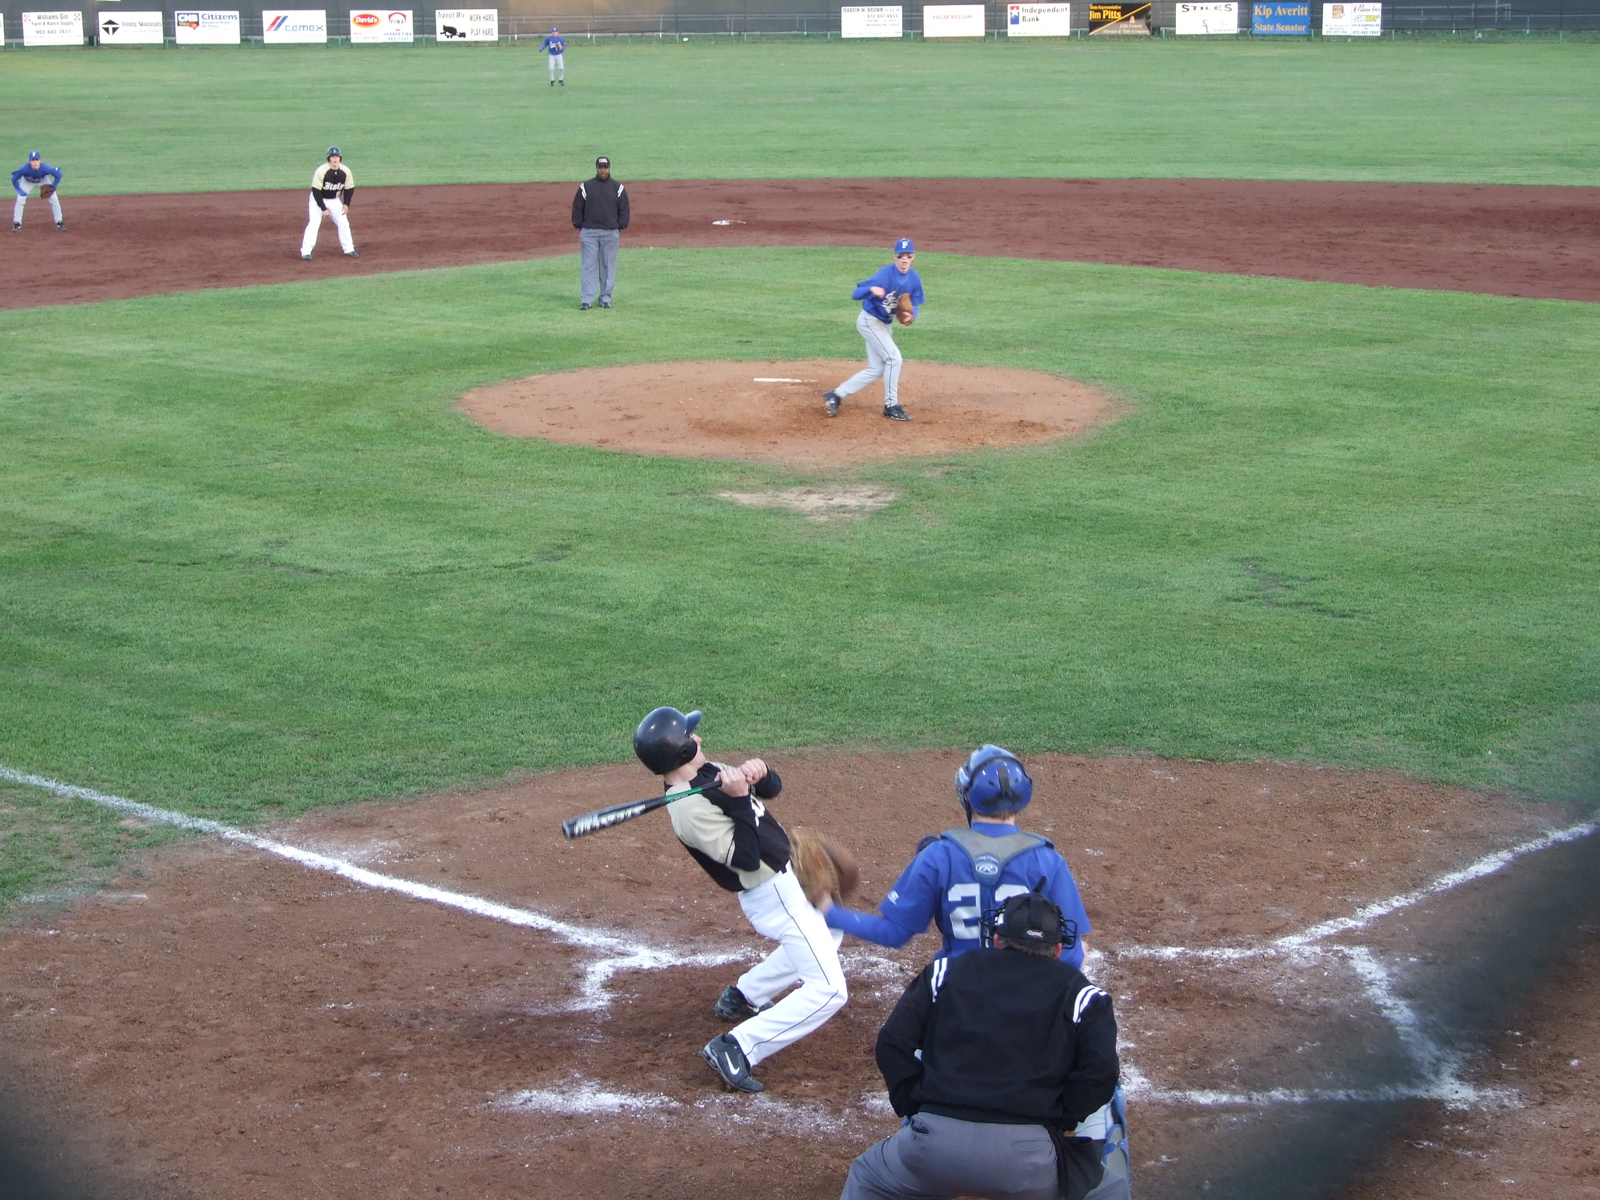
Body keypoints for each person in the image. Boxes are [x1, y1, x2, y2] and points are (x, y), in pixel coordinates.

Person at [838, 890, 1122, 1200]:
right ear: (1056, 950)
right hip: (1029, 1160)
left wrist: (914, 1105)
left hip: (932, 1147)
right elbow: (1101, 1073)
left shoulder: (944, 972)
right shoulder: (1084, 994)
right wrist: (1061, 1117)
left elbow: (892, 1042)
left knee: (867, 1175)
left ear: (997, 940)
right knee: (1109, 1189)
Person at [632, 707, 847, 1094]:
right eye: (691, 736)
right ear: (681, 751)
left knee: (831, 931)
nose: (699, 738)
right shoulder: (687, 808)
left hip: (790, 878)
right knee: (830, 990)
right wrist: (739, 799)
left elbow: (770, 792)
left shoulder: (709, 771)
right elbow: (745, 858)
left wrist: (761, 774)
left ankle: (746, 996)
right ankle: (737, 1047)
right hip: (773, 895)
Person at [823, 745, 1092, 971]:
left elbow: (893, 933)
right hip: (1022, 998)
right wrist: (1079, 952)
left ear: (967, 795)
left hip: (955, 993)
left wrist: (829, 912)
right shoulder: (1047, 861)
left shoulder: (938, 856)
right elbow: (1069, 956)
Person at [822, 237, 924, 422]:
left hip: (884, 324)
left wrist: (912, 315)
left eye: (908, 255)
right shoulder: (884, 275)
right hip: (870, 321)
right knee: (894, 358)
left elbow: (915, 302)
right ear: (894, 256)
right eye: (900, 255)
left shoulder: (914, 279)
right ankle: (891, 406)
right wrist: (871, 291)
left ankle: (836, 395)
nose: (904, 259)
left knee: (877, 369)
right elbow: (856, 294)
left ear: (913, 257)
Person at [571, 156, 629, 310]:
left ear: (609, 168)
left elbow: (624, 209)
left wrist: (619, 226)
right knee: (589, 265)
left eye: (605, 167)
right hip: (589, 232)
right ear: (597, 168)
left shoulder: (617, 188)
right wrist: (581, 226)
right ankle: (587, 300)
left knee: (608, 266)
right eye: (600, 167)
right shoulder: (586, 187)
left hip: (610, 233)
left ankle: (605, 298)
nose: (603, 170)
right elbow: (577, 208)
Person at [300, 147, 357, 261]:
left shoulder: (345, 171)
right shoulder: (321, 171)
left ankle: (349, 249)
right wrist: (323, 208)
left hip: (334, 200)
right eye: (332, 157)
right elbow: (316, 191)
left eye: (337, 156)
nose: (335, 159)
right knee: (314, 223)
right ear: (329, 159)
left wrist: (346, 204)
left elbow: (349, 188)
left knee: (344, 223)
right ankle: (306, 252)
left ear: (340, 158)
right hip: (318, 199)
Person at [12, 151, 64, 232]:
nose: (35, 163)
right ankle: (17, 224)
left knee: (54, 199)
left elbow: (59, 174)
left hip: (43, 180)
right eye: (33, 160)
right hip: (27, 182)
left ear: (40, 161)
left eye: (36, 160)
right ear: (29, 162)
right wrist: (19, 190)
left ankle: (59, 222)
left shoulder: (45, 168)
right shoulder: (24, 169)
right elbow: (14, 179)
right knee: (20, 199)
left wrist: (53, 186)